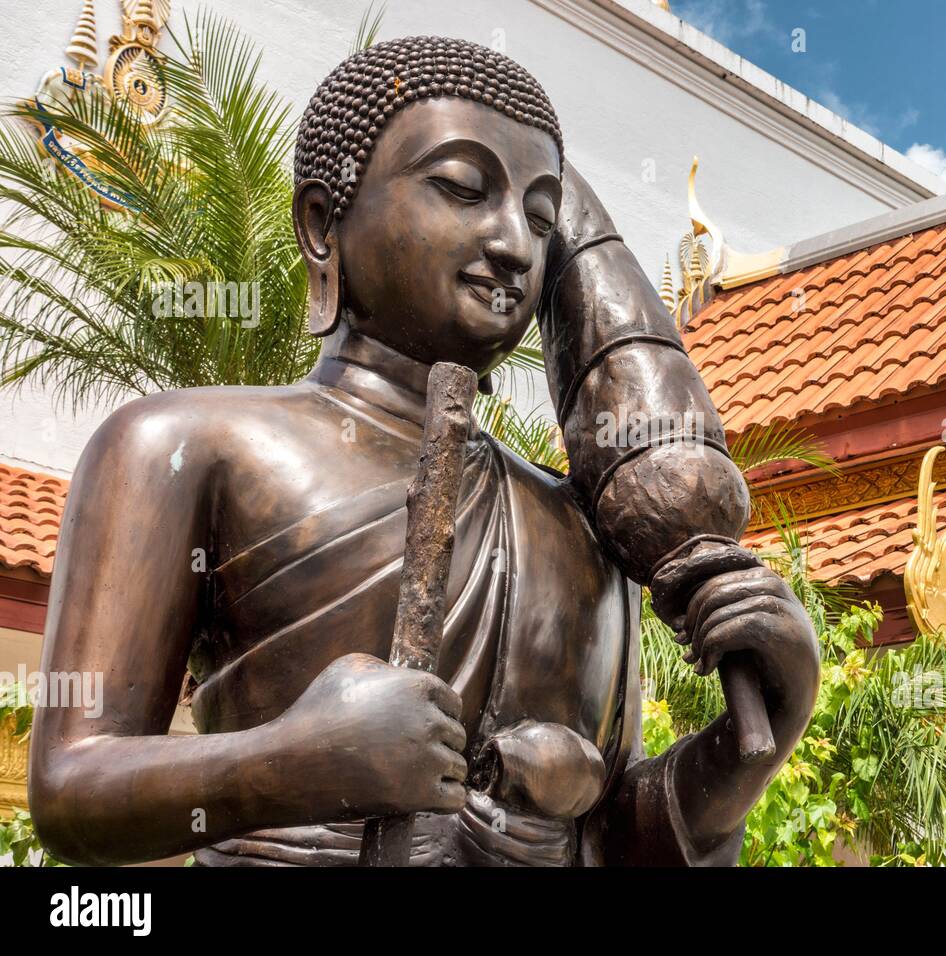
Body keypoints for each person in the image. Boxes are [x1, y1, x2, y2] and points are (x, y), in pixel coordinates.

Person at [29, 36, 818, 867]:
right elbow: (73, 785)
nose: (514, 242)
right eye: (461, 188)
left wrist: (746, 749)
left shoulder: (578, 524)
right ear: (322, 224)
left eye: (541, 216)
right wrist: (295, 763)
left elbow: (615, 841)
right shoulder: (182, 446)